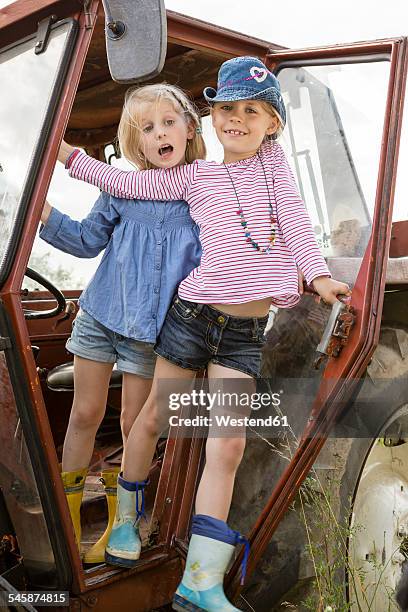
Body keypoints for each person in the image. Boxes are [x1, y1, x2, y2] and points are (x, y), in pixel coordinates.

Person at [58, 56, 351, 611]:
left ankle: (199, 581)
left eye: (251, 111)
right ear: (211, 120)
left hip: (243, 335)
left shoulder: (279, 179)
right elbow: (124, 182)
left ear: (272, 124)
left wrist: (317, 276)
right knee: (152, 419)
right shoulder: (198, 177)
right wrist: (72, 158)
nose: (235, 119)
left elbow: (297, 231)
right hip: (193, 318)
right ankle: (125, 527)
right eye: (226, 110)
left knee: (229, 446)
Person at [40, 83, 205, 564]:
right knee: (85, 414)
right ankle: (68, 522)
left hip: (151, 333)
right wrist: (44, 213)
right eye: (146, 129)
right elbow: (88, 241)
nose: (158, 134)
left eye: (167, 122)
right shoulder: (121, 188)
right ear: (136, 143)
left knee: (136, 424)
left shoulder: (204, 195)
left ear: (189, 128)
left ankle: (120, 522)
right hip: (102, 314)